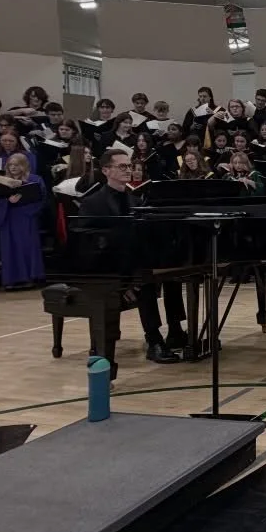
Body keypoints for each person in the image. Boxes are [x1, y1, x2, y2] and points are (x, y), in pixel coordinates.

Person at [78, 149, 187, 372]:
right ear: (106, 170)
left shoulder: (136, 200)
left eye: (129, 166)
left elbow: (141, 242)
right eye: (122, 166)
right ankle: (154, 340)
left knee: (170, 276)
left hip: (132, 266)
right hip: (107, 271)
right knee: (144, 284)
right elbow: (87, 246)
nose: (128, 170)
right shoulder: (92, 202)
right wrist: (122, 280)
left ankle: (176, 331)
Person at [0, 153, 45, 291]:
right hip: (7, 216)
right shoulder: (1, 180)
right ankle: (11, 279)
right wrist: (7, 202)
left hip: (26, 217)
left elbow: (42, 199)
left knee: (26, 247)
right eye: (10, 165)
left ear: (24, 165)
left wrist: (26, 207)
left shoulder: (35, 179)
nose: (13, 168)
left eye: (17, 165)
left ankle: (30, 278)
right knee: (9, 248)